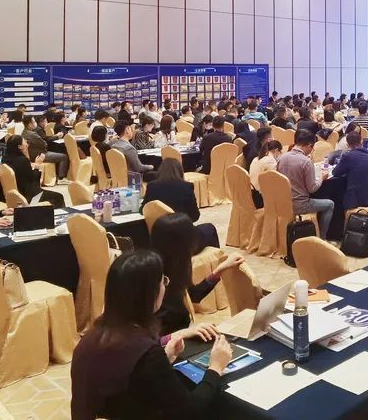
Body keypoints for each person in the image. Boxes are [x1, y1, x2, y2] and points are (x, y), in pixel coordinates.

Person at [70, 249, 232, 420]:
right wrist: (216, 367)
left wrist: (164, 358)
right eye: (163, 282)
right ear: (148, 294)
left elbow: (125, 383)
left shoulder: (91, 337)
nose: (165, 287)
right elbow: (190, 410)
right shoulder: (146, 352)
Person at [151, 213, 243, 335]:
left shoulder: (173, 267)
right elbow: (153, 338)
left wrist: (220, 270)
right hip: (169, 341)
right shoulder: (159, 280)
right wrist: (185, 334)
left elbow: (192, 296)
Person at [276, 130, 335, 239]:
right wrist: (321, 178)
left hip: (284, 202)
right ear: (309, 145)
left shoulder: (282, 158)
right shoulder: (306, 162)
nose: (312, 150)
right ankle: (322, 237)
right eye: (312, 148)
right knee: (330, 204)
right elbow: (312, 189)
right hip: (300, 205)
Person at [1, 135, 65, 208]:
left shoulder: (4, 159)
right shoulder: (22, 160)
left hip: (14, 194)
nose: (26, 142)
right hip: (30, 196)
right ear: (19, 146)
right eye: (24, 141)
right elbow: (34, 179)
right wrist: (37, 165)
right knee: (58, 197)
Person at [141, 158, 202, 223]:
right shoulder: (187, 186)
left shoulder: (152, 186)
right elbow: (195, 215)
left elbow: (143, 210)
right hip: (181, 226)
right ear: (180, 171)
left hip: (158, 226)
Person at [331, 131, 368, 211]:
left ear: (347, 145)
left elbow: (335, 172)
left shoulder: (348, 156)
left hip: (355, 199)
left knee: (337, 196)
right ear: (361, 142)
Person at [22, 115, 69, 181]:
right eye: (34, 122)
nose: (35, 123)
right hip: (39, 155)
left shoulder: (23, 133)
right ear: (29, 124)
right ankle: (61, 178)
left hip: (30, 155)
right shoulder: (33, 134)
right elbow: (44, 144)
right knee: (63, 157)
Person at [248, 140, 281, 208]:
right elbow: (275, 181)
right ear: (276, 150)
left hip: (251, 195)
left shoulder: (256, 158)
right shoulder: (271, 161)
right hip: (261, 199)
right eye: (280, 152)